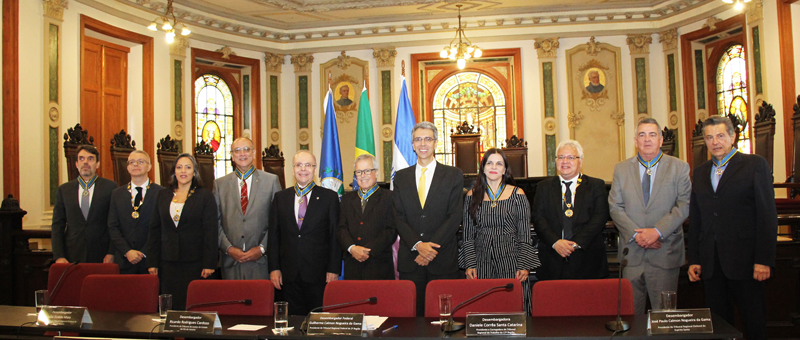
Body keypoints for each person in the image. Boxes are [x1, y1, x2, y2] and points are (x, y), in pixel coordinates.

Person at [688, 115, 777, 340]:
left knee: (753, 319)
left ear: (732, 136)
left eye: (720, 136)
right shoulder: (700, 172)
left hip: (746, 260)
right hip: (711, 261)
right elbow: (696, 218)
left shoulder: (754, 164)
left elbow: (767, 215)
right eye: (709, 137)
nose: (715, 142)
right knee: (718, 323)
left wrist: (764, 260)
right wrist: (695, 258)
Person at [608, 118, 690, 314]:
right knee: (631, 317)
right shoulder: (621, 169)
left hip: (665, 253)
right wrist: (638, 236)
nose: (647, 139)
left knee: (664, 318)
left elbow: (683, 205)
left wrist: (656, 232)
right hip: (632, 255)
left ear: (661, 140)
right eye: (642, 135)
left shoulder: (679, 167)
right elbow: (615, 207)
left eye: (652, 135)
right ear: (635, 140)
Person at [393, 121, 464, 316]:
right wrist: (417, 245)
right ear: (412, 144)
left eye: (427, 139)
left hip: (442, 259)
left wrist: (430, 248)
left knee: (444, 318)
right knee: (413, 318)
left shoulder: (453, 175)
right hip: (411, 259)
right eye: (418, 139)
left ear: (435, 143)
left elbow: (455, 216)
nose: (423, 143)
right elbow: (398, 216)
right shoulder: (400, 177)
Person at [459, 148, 539, 315]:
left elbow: (524, 233)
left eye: (498, 163)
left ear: (505, 169)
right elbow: (467, 234)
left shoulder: (518, 194)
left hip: (512, 261)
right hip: (481, 262)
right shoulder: (471, 195)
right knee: (485, 310)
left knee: (514, 309)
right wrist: (470, 264)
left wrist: (524, 265)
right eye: (489, 163)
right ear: (483, 167)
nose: (493, 167)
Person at [269, 151, 341, 315]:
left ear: (315, 170)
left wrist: (334, 269)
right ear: (292, 170)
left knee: (318, 323)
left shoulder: (329, 197)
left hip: (319, 275)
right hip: (288, 275)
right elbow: (274, 237)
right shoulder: (280, 198)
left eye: (308, 165)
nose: (303, 169)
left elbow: (334, 237)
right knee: (292, 323)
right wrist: (274, 268)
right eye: (299, 165)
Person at [146, 153, 218, 311]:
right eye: (179, 167)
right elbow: (154, 229)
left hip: (196, 262)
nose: (183, 171)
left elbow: (211, 232)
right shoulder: (162, 195)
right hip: (168, 263)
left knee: (192, 306)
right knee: (171, 307)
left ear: (195, 172)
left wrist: (210, 263)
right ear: (174, 172)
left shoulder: (204, 196)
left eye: (188, 167)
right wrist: (152, 261)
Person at [532, 140, 609, 280]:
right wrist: (556, 242)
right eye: (561, 157)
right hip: (553, 259)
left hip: (587, 258)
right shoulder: (544, 187)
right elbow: (538, 218)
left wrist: (575, 243)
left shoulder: (595, 185)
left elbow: (600, 217)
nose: (565, 161)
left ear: (581, 161)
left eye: (571, 157)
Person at [215, 137, 281, 280]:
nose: (242, 154)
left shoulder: (271, 181)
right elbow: (215, 222)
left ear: (254, 152)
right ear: (232, 156)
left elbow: (278, 222)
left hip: (261, 263)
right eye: (237, 150)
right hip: (230, 262)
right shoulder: (219, 185)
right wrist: (229, 249)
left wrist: (262, 248)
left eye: (246, 149)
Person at [51, 145, 117, 264]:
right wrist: (59, 256)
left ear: (97, 164)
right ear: (76, 164)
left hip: (101, 255)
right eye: (81, 159)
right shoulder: (64, 190)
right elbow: (57, 225)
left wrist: (111, 252)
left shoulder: (111, 188)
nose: (85, 162)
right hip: (72, 254)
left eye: (90, 159)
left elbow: (115, 223)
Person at [338, 154, 396, 280]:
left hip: (379, 265)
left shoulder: (389, 197)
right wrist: (352, 248)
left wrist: (366, 251)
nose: (363, 175)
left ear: (376, 173)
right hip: (352, 266)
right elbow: (341, 228)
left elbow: (391, 231)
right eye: (359, 172)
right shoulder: (347, 199)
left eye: (367, 171)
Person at [107, 150, 164, 274]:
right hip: (124, 259)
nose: (135, 165)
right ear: (127, 168)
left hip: (151, 260)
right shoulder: (117, 194)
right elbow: (113, 227)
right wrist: (127, 251)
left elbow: (162, 227)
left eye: (140, 162)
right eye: (131, 162)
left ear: (149, 166)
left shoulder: (161, 193)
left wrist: (143, 252)